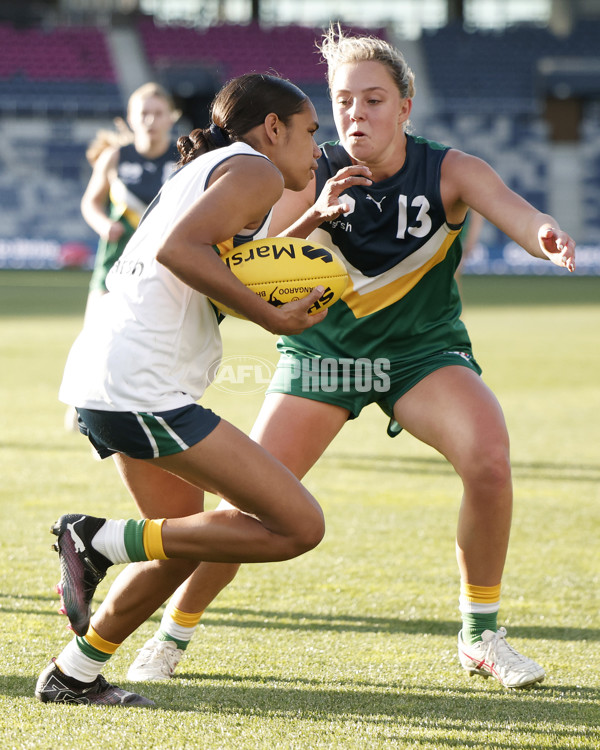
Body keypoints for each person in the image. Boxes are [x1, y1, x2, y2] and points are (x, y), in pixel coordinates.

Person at [121, 26, 576, 691]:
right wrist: (314, 219)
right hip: (323, 357)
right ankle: (172, 633)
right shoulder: (308, 170)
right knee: (253, 506)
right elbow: (257, 264)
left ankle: (481, 635)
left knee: (489, 458)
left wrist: (546, 235)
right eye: (344, 101)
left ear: (405, 107)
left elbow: (516, 213)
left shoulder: (450, 169)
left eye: (374, 100)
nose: (356, 114)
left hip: (421, 355)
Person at [35, 72, 328, 707]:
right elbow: (180, 251)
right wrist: (276, 318)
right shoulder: (257, 171)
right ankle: (97, 539)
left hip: (111, 376)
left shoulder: (222, 168)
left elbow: (217, 265)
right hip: (144, 386)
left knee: (181, 542)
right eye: (310, 131)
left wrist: (308, 223)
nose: (318, 147)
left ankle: (72, 676)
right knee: (299, 525)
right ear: (272, 128)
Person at [80, 82, 181, 323]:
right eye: (143, 114)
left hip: (166, 263)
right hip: (115, 259)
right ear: (130, 119)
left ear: (171, 118)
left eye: (158, 114)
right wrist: (104, 224)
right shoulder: (114, 157)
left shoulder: (184, 158)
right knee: (95, 336)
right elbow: (90, 203)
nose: (150, 120)